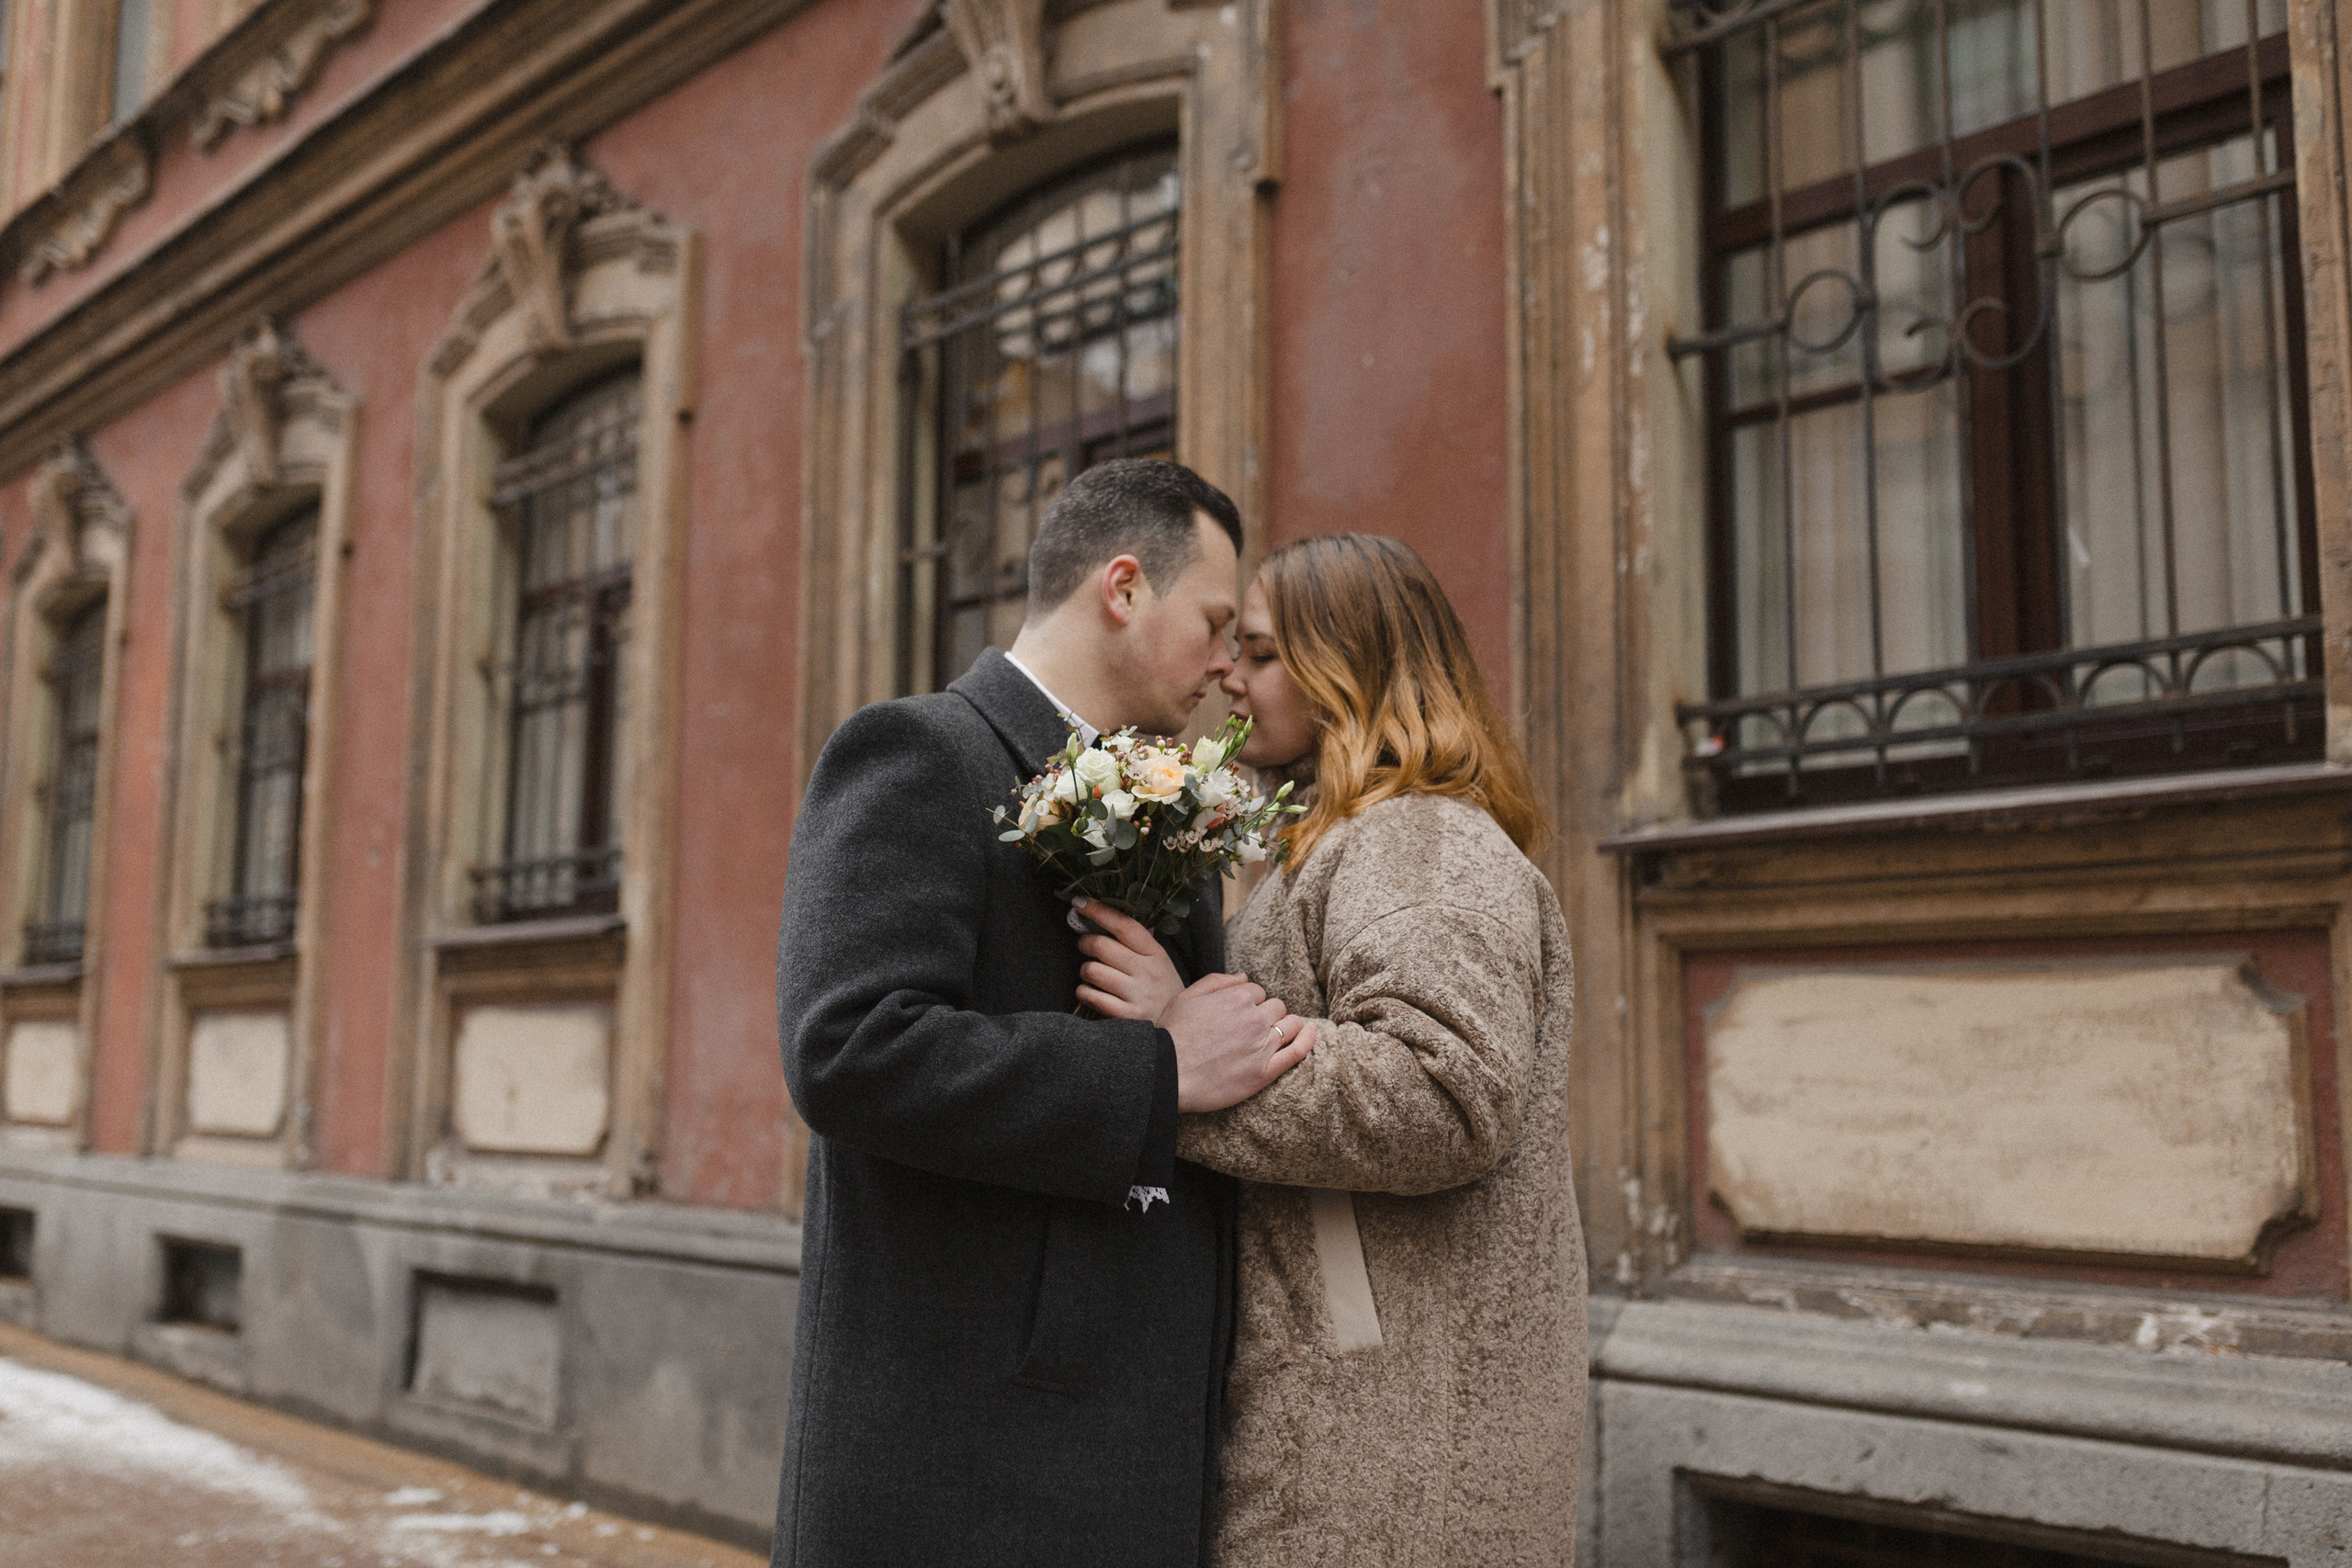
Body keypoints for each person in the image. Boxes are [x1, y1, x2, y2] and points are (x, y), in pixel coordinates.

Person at [772, 458, 1315, 1568]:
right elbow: (850, 1048)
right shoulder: (922, 752)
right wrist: (1158, 1073)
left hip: (1128, 1437)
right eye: (1216, 623)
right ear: (1123, 587)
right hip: (969, 1454)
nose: (1228, 666)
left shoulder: (1168, 802)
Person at [1075, 532, 1586, 1564]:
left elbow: (1443, 1093)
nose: (1229, 673)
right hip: (1356, 1418)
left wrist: (1186, 1054)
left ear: (1350, 668)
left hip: (1394, 1443)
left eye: (1262, 653)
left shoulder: (1420, 838)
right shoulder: (1352, 840)